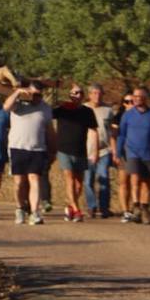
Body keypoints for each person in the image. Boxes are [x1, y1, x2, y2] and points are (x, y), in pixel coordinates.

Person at [116, 86, 150, 224]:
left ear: (145, 98)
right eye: (135, 96)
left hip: (148, 153)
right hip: (132, 152)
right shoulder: (127, 115)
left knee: (146, 182)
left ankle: (144, 208)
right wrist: (117, 152)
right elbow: (121, 134)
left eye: (139, 96)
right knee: (135, 179)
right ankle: (136, 207)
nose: (136, 99)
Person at [4, 81, 55, 226]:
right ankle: (20, 208)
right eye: (33, 94)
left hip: (38, 148)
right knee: (19, 181)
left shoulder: (45, 108)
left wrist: (53, 148)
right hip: (17, 147)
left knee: (34, 179)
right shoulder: (18, 104)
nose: (36, 97)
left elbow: (49, 129)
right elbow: (6, 106)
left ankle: (35, 212)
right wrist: (18, 92)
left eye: (39, 94)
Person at [54, 84, 99, 222]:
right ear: (69, 95)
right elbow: (46, 112)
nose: (77, 95)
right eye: (74, 93)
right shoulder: (61, 110)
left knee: (79, 183)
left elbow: (94, 131)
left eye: (80, 93)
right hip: (64, 149)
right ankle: (77, 209)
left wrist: (95, 151)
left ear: (83, 96)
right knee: (69, 178)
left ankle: (70, 207)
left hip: (80, 150)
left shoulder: (87, 112)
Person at [84, 84, 115, 218]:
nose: (97, 96)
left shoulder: (108, 110)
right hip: (86, 150)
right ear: (89, 95)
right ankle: (91, 206)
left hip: (104, 150)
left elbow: (112, 130)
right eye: (94, 93)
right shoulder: (83, 109)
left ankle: (104, 207)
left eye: (99, 93)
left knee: (104, 178)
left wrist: (114, 150)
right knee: (88, 180)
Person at [110, 92, 134, 220]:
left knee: (135, 182)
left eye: (132, 101)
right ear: (123, 103)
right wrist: (115, 152)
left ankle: (136, 208)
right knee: (124, 182)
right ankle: (126, 210)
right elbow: (113, 136)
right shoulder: (119, 117)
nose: (130, 104)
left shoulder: (141, 115)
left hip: (137, 152)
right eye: (127, 102)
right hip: (123, 151)